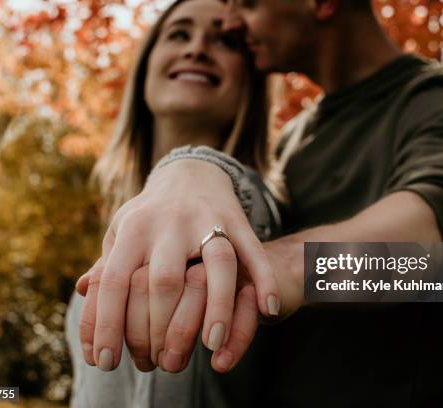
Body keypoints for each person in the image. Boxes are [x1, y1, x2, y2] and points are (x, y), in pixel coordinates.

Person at [77, 0, 443, 406]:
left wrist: (275, 266)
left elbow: (433, 255)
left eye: (246, 2)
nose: (230, 20)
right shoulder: (293, 142)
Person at [65, 0, 282, 406]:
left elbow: (439, 271)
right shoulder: (121, 222)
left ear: (250, 83)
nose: (196, 48)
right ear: (146, 65)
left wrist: (191, 164)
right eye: (179, 34)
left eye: (226, 41)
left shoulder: (254, 212)